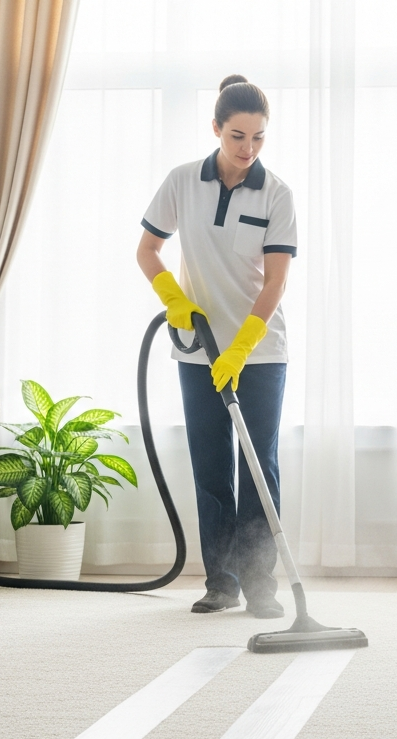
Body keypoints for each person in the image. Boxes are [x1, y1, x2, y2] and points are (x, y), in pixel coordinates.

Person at [136, 75, 297, 619]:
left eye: (257, 138)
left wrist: (242, 347)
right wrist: (175, 300)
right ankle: (221, 583)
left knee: (258, 468)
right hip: (197, 349)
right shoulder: (183, 182)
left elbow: (274, 282)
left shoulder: (277, 193)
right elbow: (148, 250)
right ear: (215, 129)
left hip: (260, 353)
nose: (247, 150)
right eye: (237, 137)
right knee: (211, 467)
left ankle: (262, 587)